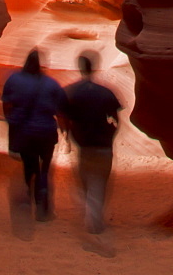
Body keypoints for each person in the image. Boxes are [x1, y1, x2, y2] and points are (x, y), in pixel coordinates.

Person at [61, 52, 122, 237]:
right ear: (93, 67)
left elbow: (63, 117)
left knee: (85, 182)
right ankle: (94, 220)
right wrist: (111, 135)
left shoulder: (71, 92)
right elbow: (116, 119)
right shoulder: (106, 92)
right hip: (103, 145)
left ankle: (90, 216)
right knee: (99, 183)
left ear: (79, 67)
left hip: (83, 145)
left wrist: (67, 136)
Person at [2, 48, 64, 225]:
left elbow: (7, 105)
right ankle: (43, 204)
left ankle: (28, 198)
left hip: (25, 133)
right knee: (45, 169)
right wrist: (65, 131)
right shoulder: (51, 83)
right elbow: (60, 110)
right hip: (46, 133)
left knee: (30, 167)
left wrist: (11, 122)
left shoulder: (14, 80)